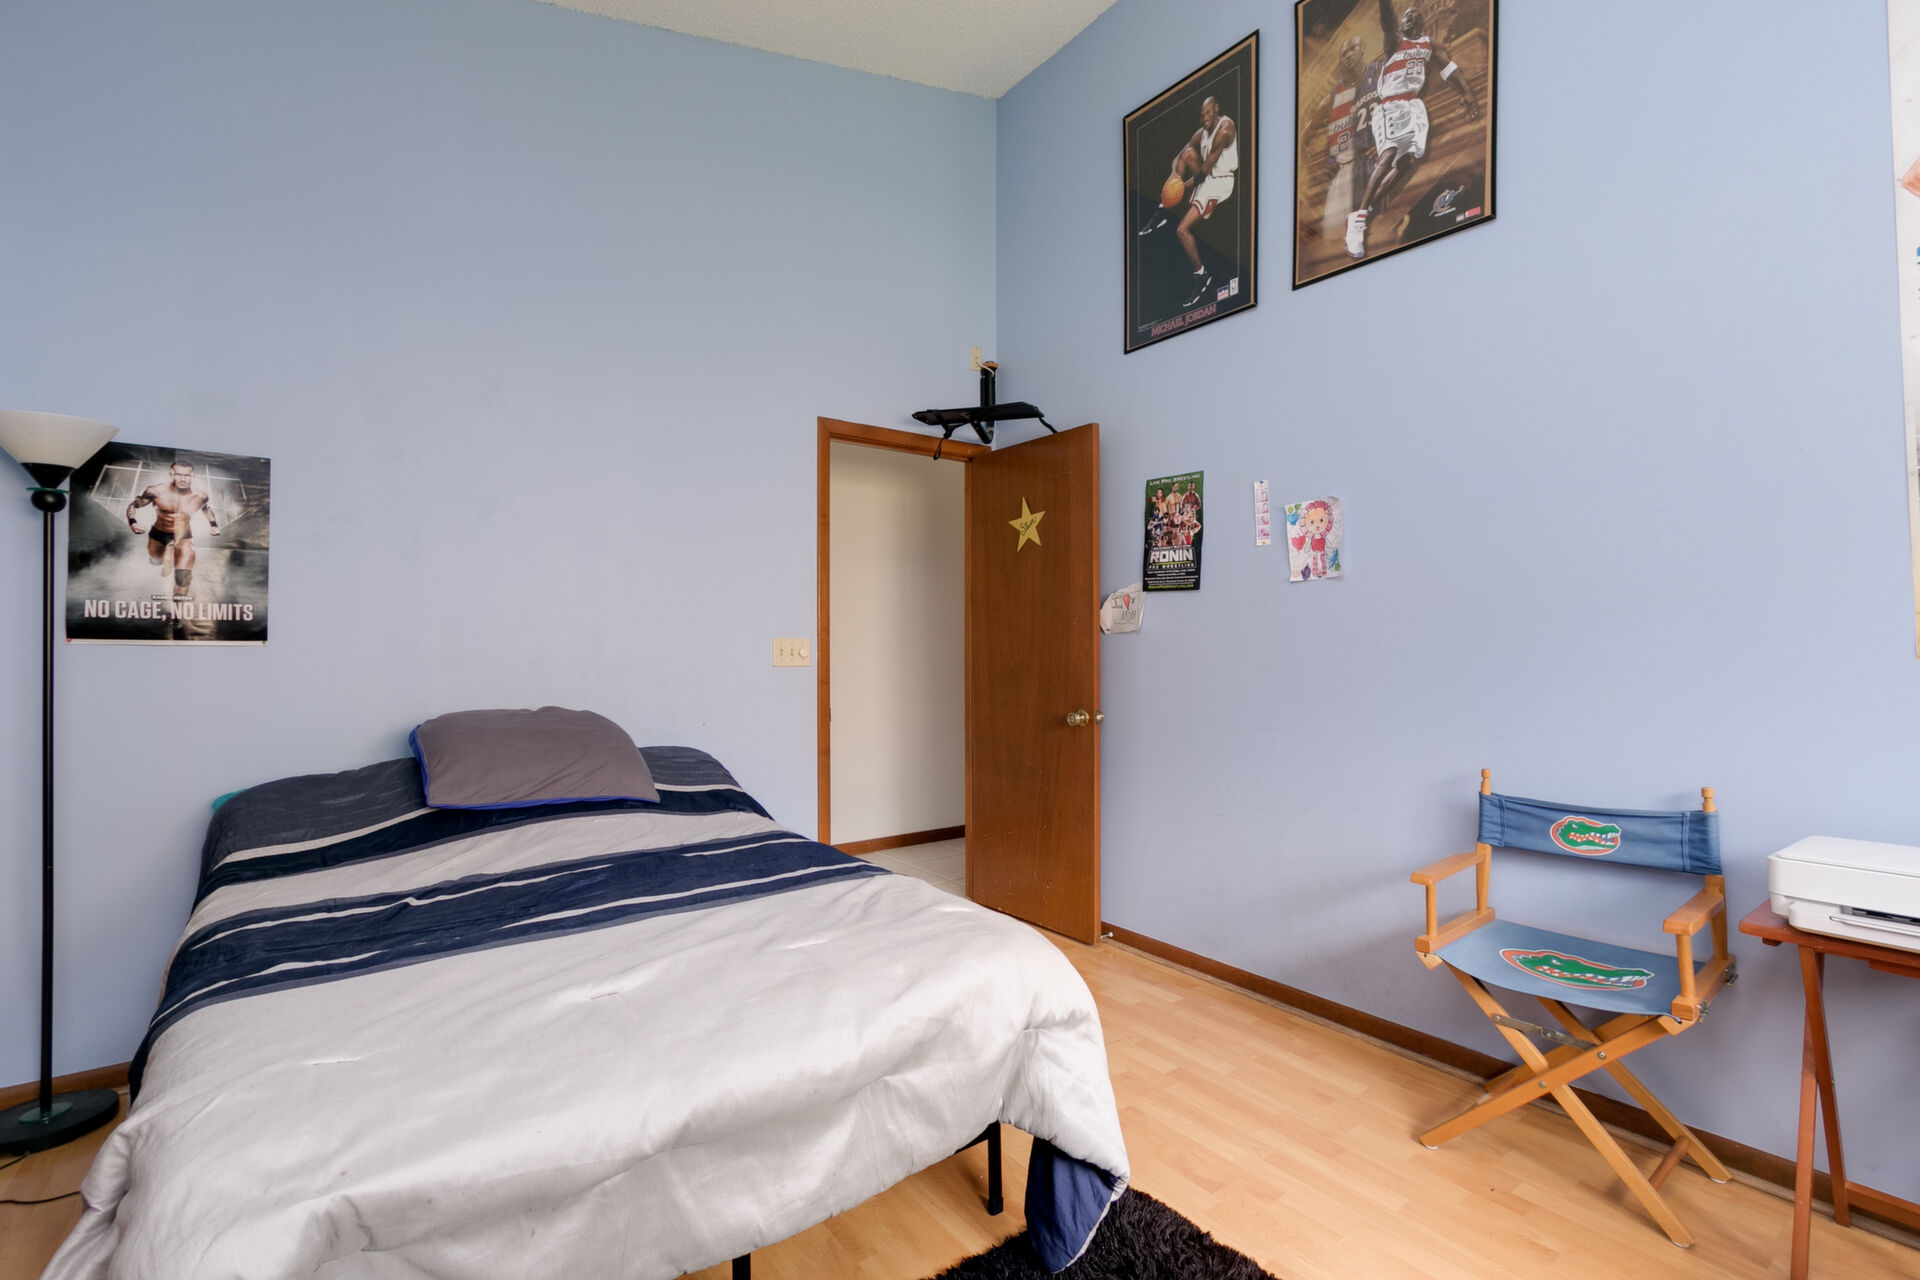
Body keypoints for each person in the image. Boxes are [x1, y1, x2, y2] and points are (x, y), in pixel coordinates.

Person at [1345, 2, 1480, 261]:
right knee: (1388, 155)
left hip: (1413, 106)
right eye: (1405, 16)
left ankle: (1365, 210)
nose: (1407, 18)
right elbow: (1387, 19)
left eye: (1412, 15)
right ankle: (1358, 223)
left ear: (1420, 21)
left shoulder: (1430, 45)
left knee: (1406, 164)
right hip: (1390, 105)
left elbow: (1450, 70)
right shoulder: (1394, 41)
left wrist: (1467, 93)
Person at [1138, 95, 1240, 308]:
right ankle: (1163, 210)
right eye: (1202, 115)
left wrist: (1180, 188)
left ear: (1216, 108)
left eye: (1208, 113)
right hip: (1209, 176)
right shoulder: (1202, 132)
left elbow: (1203, 174)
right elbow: (1177, 158)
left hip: (1221, 182)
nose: (1205, 118)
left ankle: (1202, 276)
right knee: (1187, 155)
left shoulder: (1225, 129)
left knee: (1182, 230)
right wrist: (1172, 179)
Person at [1303, 38, 1373, 246]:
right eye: (1343, 53)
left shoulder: (1376, 75)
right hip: (1342, 172)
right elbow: (1303, 138)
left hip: (1371, 163)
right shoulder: (1333, 96)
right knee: (1334, 246)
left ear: (1362, 49)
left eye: (1352, 48)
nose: (1348, 55)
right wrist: (1312, 172)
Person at [127, 460, 220, 599]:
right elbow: (134, 505)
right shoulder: (155, 491)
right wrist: (132, 522)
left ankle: (178, 608)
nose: (183, 479)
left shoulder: (200, 496)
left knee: (183, 576)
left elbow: (206, 508)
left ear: (193, 476)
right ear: (171, 475)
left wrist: (214, 525)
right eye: (178, 475)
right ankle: (165, 561)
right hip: (159, 534)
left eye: (187, 475)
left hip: (184, 536)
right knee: (156, 561)